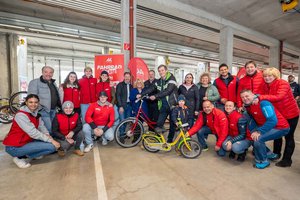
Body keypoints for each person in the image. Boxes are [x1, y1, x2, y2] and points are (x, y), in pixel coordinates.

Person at [2, 94, 60, 168]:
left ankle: (30, 154)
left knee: (50, 143)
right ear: (26, 102)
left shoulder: (36, 114)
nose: (33, 104)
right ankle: (19, 158)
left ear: (38, 103)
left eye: (36, 102)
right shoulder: (21, 115)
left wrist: (47, 134)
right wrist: (51, 140)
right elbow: (33, 133)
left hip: (26, 141)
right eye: (31, 102)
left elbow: (41, 127)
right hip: (14, 147)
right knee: (52, 147)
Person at [257, 68, 299, 167]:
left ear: (275, 76)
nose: (267, 78)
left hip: (291, 114)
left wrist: (260, 97)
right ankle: (276, 154)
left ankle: (287, 160)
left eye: (269, 76)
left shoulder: (283, 83)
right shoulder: (264, 84)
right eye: (265, 76)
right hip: (279, 114)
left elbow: (278, 96)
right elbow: (257, 92)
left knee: (289, 136)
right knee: (277, 134)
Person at [240, 89, 290, 169]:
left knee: (258, 139)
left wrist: (259, 131)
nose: (245, 98)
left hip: (280, 127)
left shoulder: (264, 103)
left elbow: (272, 121)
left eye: (247, 96)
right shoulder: (249, 105)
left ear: (253, 95)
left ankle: (263, 161)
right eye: (242, 97)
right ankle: (269, 153)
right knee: (252, 135)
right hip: (267, 126)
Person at [142, 65, 178, 143]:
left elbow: (168, 91)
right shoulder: (159, 81)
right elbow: (151, 88)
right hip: (163, 105)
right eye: (159, 71)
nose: (161, 72)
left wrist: (155, 96)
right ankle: (160, 139)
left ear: (166, 70)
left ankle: (169, 140)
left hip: (172, 105)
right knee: (159, 124)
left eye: (162, 70)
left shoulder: (172, 79)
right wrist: (141, 94)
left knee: (172, 125)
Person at [28, 66, 61, 134]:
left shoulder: (53, 83)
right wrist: (40, 109)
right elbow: (31, 98)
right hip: (43, 111)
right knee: (47, 129)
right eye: (46, 72)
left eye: (50, 72)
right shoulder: (35, 82)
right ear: (42, 72)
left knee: (53, 128)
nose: (48, 74)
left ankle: (52, 142)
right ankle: (48, 143)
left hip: (53, 110)